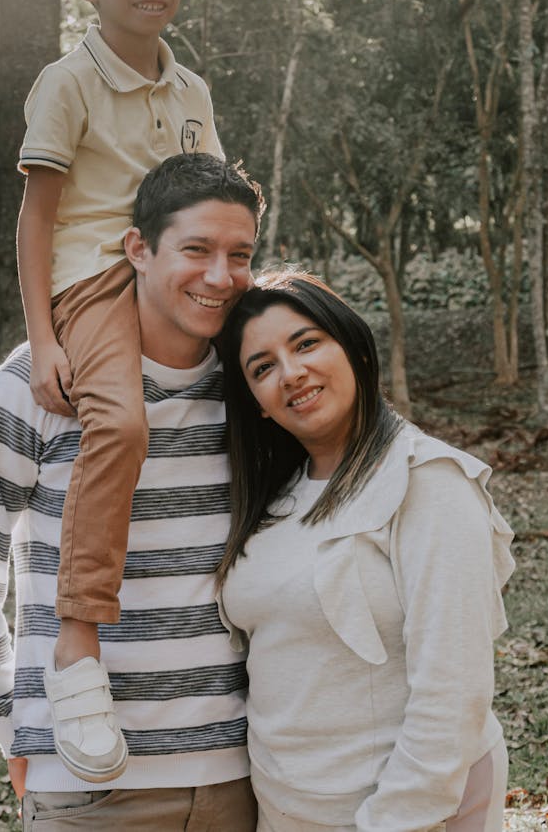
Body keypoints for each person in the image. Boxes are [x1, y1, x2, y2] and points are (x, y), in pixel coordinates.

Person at [0, 154, 264, 831]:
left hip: (241, 775)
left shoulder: (254, 386)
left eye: (241, 254)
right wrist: (14, 726)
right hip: (90, 788)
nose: (220, 276)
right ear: (138, 248)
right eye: (196, 249)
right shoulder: (41, 382)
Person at [16, 0, 223, 780]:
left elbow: (211, 188)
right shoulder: (68, 82)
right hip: (97, 281)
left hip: (176, 266)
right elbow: (36, 219)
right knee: (125, 426)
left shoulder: (192, 89)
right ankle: (75, 645)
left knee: (303, 334)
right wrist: (44, 339)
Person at [216, 270, 515, 832]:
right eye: (263, 367)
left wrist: (395, 818)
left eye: (306, 343)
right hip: (286, 806)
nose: (291, 372)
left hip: (404, 811)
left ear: (351, 344)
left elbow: (453, 690)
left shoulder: (426, 480)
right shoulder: (275, 498)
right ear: (255, 400)